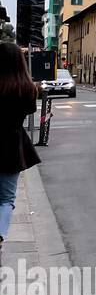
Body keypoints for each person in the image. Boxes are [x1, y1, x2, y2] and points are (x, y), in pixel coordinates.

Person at [0, 42, 41, 246]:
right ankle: (0, 235)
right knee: (6, 198)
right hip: (11, 147)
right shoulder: (27, 89)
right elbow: (31, 110)